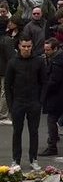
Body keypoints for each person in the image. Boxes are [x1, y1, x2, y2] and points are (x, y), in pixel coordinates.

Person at [5, 35, 45, 170]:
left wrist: (40, 101)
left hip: (34, 102)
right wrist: (11, 106)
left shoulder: (39, 61)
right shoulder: (12, 62)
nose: (26, 49)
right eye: (24, 46)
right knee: (17, 132)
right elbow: (7, 85)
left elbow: (44, 82)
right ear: (19, 46)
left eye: (29, 46)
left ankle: (33, 159)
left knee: (34, 131)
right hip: (18, 102)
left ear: (32, 46)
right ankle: (15, 160)